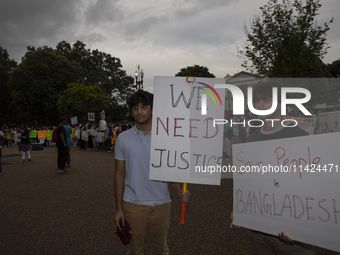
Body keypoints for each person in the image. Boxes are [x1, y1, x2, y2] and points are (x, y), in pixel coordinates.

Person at [230, 81, 315, 255]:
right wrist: (240, 209)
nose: (259, 106)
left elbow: (312, 186)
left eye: (266, 100)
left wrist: (301, 228)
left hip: (293, 234)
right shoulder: (251, 140)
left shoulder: (298, 136)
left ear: (281, 104)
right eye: (256, 101)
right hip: (260, 230)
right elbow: (248, 181)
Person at [114, 90, 190, 255]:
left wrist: (179, 192)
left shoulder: (166, 137)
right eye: (135, 107)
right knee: (134, 250)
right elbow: (119, 174)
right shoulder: (123, 138)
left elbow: (171, 170)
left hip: (161, 204)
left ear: (153, 109)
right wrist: (119, 208)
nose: (139, 111)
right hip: (132, 204)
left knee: (161, 250)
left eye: (144, 107)